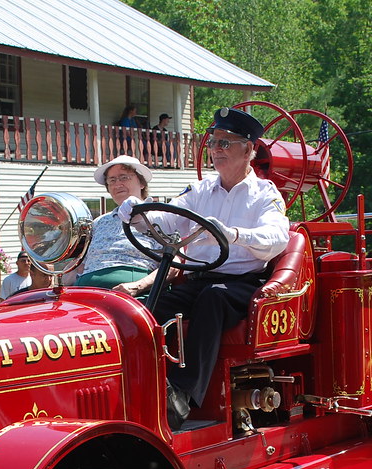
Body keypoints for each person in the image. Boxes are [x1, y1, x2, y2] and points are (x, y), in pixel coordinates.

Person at [116, 107, 291, 429]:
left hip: (242, 283)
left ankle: (182, 397)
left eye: (225, 143)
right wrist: (138, 214)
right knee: (147, 309)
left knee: (213, 297)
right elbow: (168, 218)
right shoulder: (200, 190)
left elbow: (277, 238)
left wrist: (234, 234)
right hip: (198, 279)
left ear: (248, 150)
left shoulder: (265, 195)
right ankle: (133, 383)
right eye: (212, 142)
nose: (215, 150)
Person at [76, 156, 160, 289]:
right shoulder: (99, 222)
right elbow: (80, 265)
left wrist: (138, 286)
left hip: (133, 293)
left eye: (124, 177)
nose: (117, 184)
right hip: (86, 290)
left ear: (142, 183)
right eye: (112, 180)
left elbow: (174, 264)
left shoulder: (160, 217)